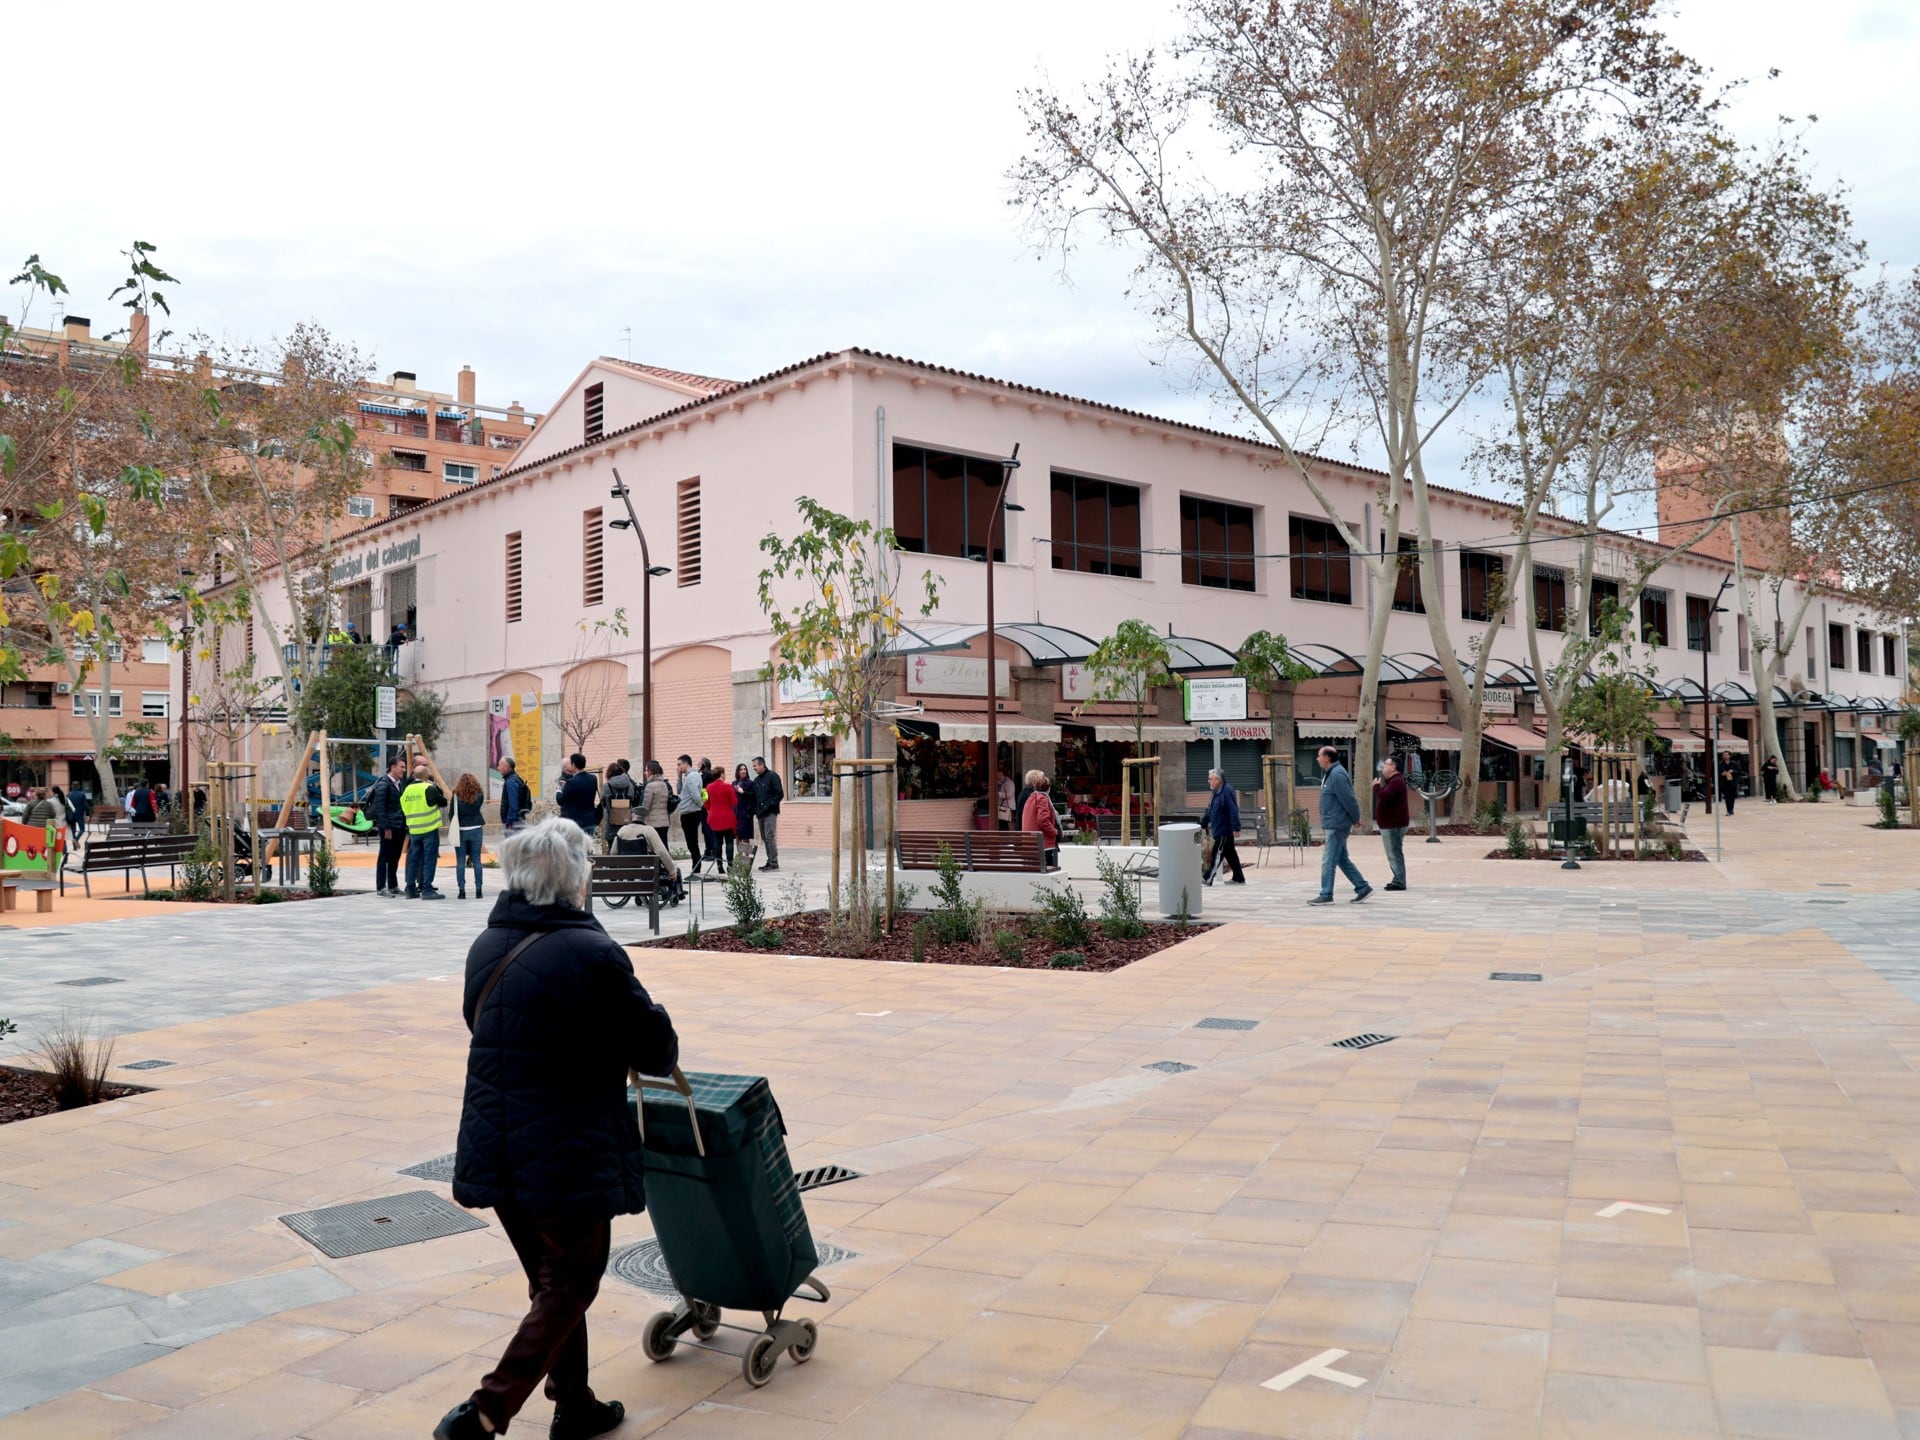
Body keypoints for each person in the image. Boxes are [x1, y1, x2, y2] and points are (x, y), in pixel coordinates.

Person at [437, 819, 679, 1440]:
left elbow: (484, 1024)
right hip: (564, 1147)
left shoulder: (486, 946)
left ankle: (574, 1404)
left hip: (496, 1138)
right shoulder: (591, 952)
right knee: (571, 1282)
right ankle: (488, 1411)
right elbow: (655, 1052)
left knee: (552, 1284)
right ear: (574, 878)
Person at [1309, 746, 1370, 905]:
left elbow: (1349, 799)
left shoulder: (1337, 775)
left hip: (1337, 824)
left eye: (1319, 756)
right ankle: (1362, 887)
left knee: (1328, 860)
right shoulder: (1331, 774)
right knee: (1342, 859)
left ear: (1327, 758)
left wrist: (1356, 818)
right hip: (1334, 822)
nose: (1317, 759)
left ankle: (1326, 894)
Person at [402, 760, 449, 899]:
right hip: (429, 829)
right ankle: (427, 890)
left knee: (414, 860)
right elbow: (443, 802)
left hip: (414, 831)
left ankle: (410, 889)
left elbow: (404, 808)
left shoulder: (407, 790)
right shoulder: (428, 788)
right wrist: (434, 785)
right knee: (429, 859)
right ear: (426, 776)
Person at [367, 755, 409, 898]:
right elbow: (380, 808)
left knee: (395, 857)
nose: (404, 770)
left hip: (399, 825)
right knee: (384, 856)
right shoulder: (384, 784)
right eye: (401, 767)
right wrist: (386, 828)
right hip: (389, 827)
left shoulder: (399, 783)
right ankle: (381, 887)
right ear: (393, 767)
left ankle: (393, 885)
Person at [1200, 768, 1245, 885]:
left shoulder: (1227, 791)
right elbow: (1210, 809)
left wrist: (1236, 827)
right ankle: (1239, 878)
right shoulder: (1215, 792)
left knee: (1217, 853)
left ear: (1217, 780)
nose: (1208, 781)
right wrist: (1203, 822)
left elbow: (1233, 809)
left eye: (1210, 779)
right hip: (1219, 829)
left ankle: (1208, 878)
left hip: (1224, 830)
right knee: (1230, 854)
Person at [1372, 756, 1411, 892]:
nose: (1383, 767)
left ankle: (1399, 881)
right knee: (1394, 851)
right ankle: (1398, 878)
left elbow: (1384, 796)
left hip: (1393, 824)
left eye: (1386, 764)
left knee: (1394, 852)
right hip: (1391, 823)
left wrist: (1376, 786)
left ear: (1393, 767)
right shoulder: (1393, 781)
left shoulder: (1396, 782)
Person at [452, 772, 487, 901]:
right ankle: (479, 890)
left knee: (460, 860)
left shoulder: (456, 795)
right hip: (476, 828)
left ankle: (462, 891)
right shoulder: (479, 795)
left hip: (461, 829)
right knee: (477, 859)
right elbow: (478, 808)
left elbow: (452, 813)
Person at [751, 756, 783, 871]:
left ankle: (774, 862)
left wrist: (768, 805)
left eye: (755, 766)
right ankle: (769, 860)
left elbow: (779, 794)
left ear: (762, 764)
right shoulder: (757, 780)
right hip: (760, 813)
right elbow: (754, 796)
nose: (754, 768)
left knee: (770, 836)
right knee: (765, 837)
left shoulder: (772, 776)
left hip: (770, 812)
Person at [1021, 772, 1060, 866]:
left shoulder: (1031, 797)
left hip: (1030, 842)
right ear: (1048, 788)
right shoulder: (1042, 799)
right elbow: (1042, 820)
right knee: (1049, 866)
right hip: (1042, 843)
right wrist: (1054, 832)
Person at [704, 765, 739, 871]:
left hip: (714, 817)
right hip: (727, 817)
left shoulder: (708, 788)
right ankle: (730, 864)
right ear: (722, 774)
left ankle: (719, 865)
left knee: (717, 841)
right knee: (729, 842)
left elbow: (706, 804)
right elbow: (734, 801)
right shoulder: (728, 786)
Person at [556, 754, 600, 836]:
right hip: (590, 820)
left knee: (576, 848)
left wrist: (559, 789)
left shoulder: (571, 782)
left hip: (576, 823)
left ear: (573, 765)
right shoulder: (593, 778)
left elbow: (560, 800)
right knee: (587, 846)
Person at [676, 756, 706, 871]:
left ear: (686, 764)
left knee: (692, 842)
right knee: (690, 842)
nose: (678, 767)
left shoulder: (692, 776)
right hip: (686, 812)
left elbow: (696, 795)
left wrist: (701, 806)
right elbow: (679, 791)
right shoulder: (687, 777)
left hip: (691, 813)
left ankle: (697, 868)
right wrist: (679, 777)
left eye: (679, 764)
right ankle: (696, 867)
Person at [639, 761, 675, 858]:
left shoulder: (650, 786)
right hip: (664, 821)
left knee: (653, 848)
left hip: (653, 822)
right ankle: (668, 868)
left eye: (646, 770)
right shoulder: (664, 784)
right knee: (664, 846)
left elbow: (645, 806)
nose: (645, 773)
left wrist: (639, 818)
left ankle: (656, 869)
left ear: (651, 771)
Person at [600, 760, 637, 849]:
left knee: (612, 850)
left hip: (612, 824)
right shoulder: (629, 785)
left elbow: (603, 802)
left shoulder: (607, 786)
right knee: (626, 850)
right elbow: (632, 799)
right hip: (627, 823)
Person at [497, 756, 532, 834]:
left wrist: (509, 822)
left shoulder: (511, 781)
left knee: (513, 845)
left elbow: (513, 805)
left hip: (514, 823)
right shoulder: (515, 778)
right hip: (518, 820)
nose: (498, 768)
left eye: (500, 765)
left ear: (507, 767)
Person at [732, 762, 758, 863]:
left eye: (745, 769)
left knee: (745, 837)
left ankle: (746, 859)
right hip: (736, 813)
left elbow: (753, 797)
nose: (743, 771)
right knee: (737, 836)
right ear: (738, 772)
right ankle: (739, 858)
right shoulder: (734, 783)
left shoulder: (750, 783)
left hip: (745, 813)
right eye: (741, 769)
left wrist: (743, 792)